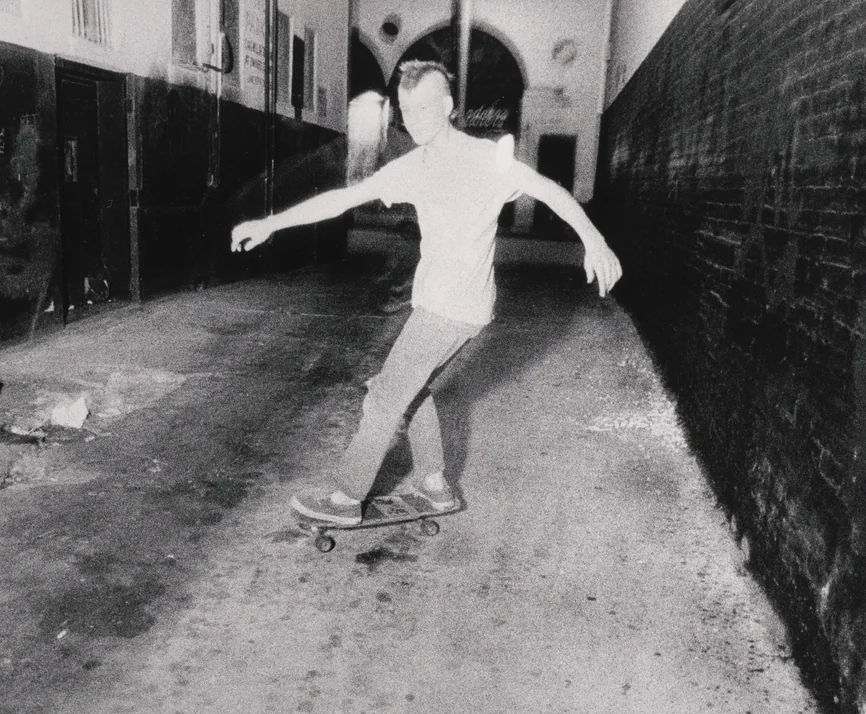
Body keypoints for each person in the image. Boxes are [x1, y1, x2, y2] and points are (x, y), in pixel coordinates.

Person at [231, 61, 623, 525]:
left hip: (449, 309)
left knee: (383, 399)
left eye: (424, 108)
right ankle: (434, 485)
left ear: (449, 106)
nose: (414, 119)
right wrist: (272, 223)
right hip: (449, 306)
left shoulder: (487, 159)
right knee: (401, 389)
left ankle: (344, 498)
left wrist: (593, 240)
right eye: (405, 110)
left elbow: (551, 190)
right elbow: (342, 198)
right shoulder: (412, 167)